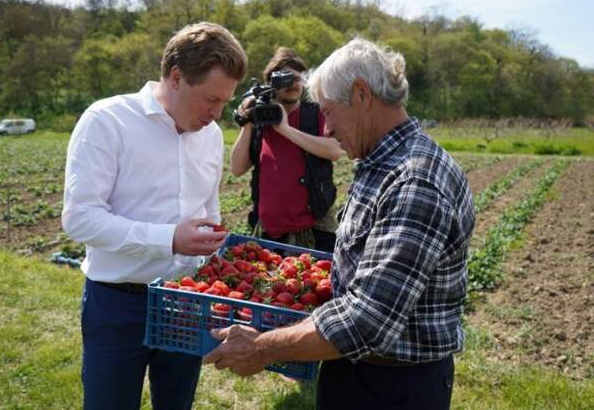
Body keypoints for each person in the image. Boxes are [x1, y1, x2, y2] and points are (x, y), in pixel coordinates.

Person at [204, 38, 475, 410]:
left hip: (392, 385)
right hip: (356, 367)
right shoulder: (382, 163)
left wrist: (262, 347)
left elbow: (367, 320)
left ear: (362, 95)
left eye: (329, 113)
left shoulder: (415, 182)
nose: (327, 129)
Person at [61, 22, 247, 410]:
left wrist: (223, 265)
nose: (216, 115)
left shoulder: (210, 136)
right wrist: (168, 238)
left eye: (225, 103)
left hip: (186, 302)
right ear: (177, 77)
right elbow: (79, 218)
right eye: (211, 99)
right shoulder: (107, 121)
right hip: (117, 305)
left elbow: (207, 211)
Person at [230, 47, 343, 253]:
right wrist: (248, 121)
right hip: (269, 232)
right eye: (286, 79)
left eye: (298, 79)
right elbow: (237, 168)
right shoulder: (260, 121)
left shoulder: (314, 113)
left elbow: (334, 151)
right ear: (271, 85)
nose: (293, 84)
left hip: (314, 229)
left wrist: (285, 129)